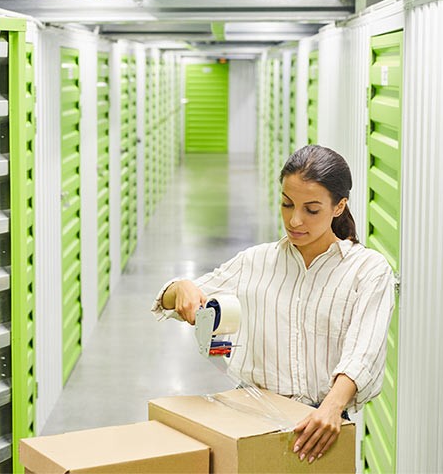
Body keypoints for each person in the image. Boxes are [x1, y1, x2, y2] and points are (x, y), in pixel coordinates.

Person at [151, 145, 395, 465]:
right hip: (249, 418)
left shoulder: (368, 271)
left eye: (311, 209)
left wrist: (332, 408)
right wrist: (180, 287)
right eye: (286, 203)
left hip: (322, 425)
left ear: (339, 206)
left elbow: (364, 350)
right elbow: (172, 301)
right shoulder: (256, 261)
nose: (294, 220)